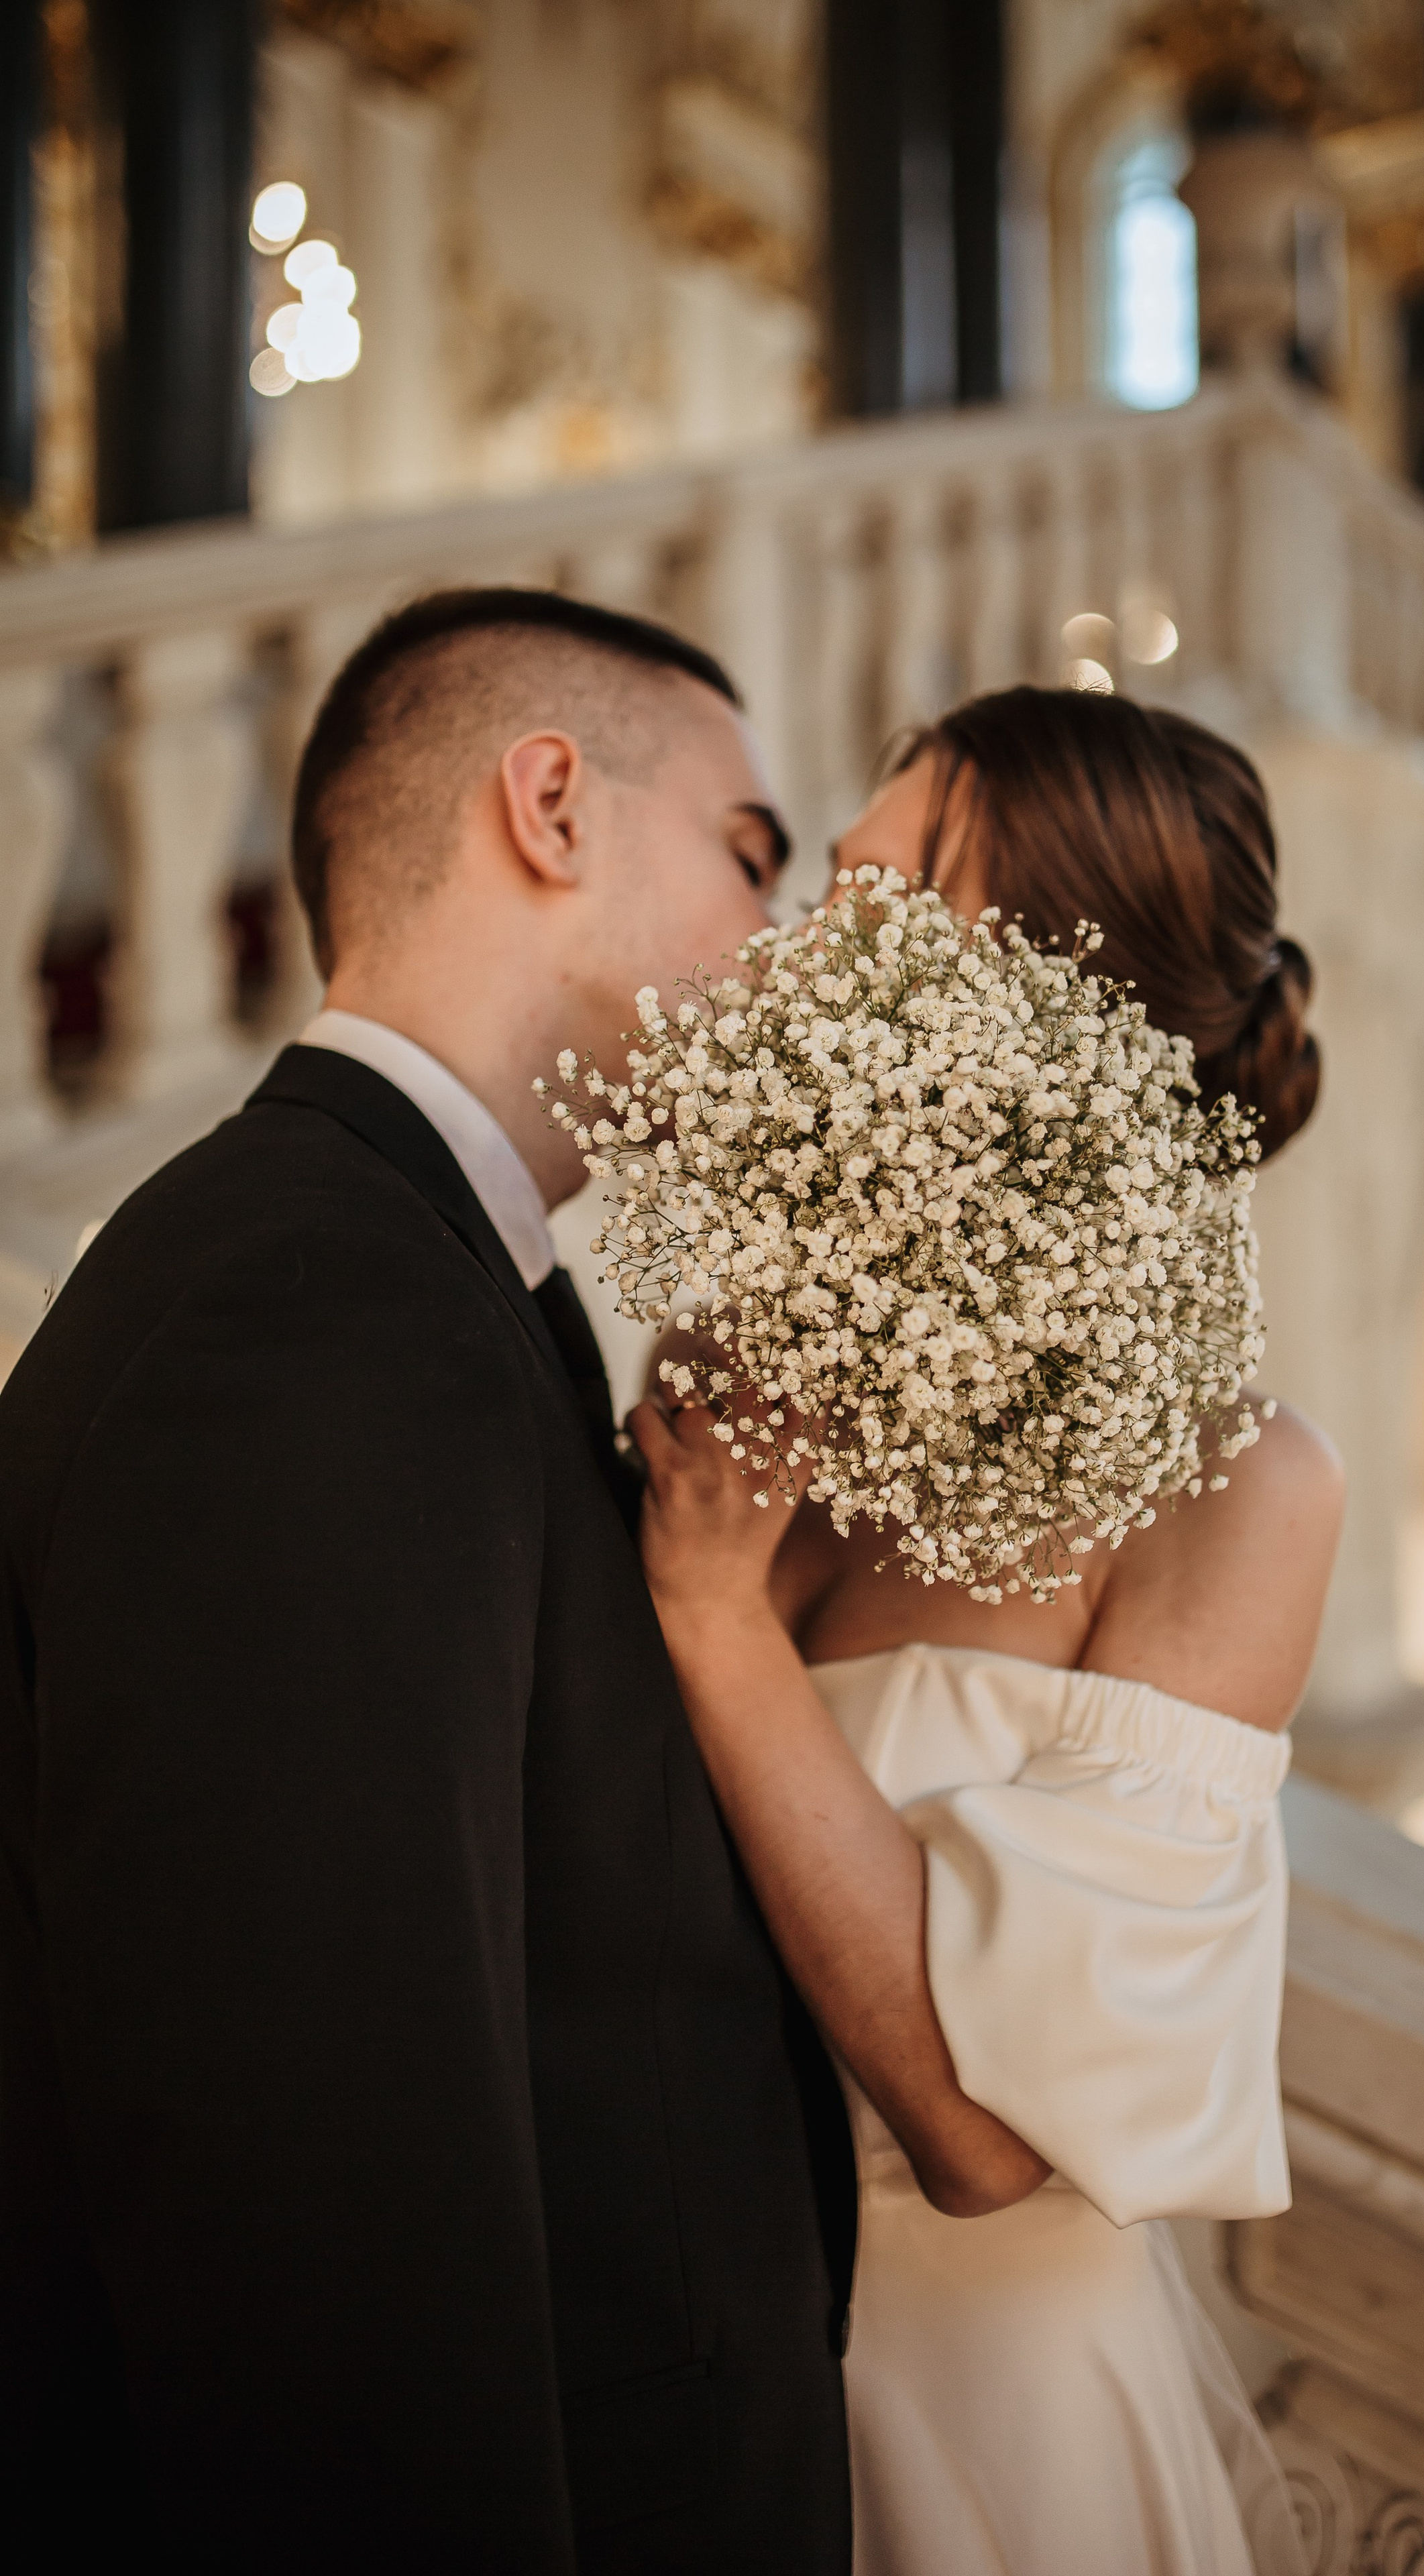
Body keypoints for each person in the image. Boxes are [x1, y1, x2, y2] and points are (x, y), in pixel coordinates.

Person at [0, 587, 880, 2573]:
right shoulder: (304, 1313)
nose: (786, 945)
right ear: (549, 802)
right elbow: (321, 2215)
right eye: (753, 856)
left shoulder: (412, 1276)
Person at [627, 687, 1346, 2576]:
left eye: (878, 906)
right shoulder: (756, 1368)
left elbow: (983, 2135)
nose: (805, 962)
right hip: (674, 2398)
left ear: (1055, 988)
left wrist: (712, 1614)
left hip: (981, 2430)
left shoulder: (1232, 1485)